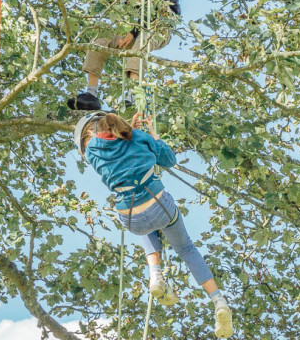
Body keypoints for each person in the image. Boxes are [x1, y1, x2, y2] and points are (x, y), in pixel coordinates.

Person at [74, 111, 234, 338]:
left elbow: (117, 151)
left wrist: (130, 131)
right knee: (186, 249)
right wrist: (153, 135)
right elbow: (169, 160)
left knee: (146, 225)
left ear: (94, 133)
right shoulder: (139, 137)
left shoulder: (91, 152)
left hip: (130, 216)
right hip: (159, 203)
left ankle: (155, 274)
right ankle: (218, 300)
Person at [68, 0, 181, 111]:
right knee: (102, 37)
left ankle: (132, 95)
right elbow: (131, 8)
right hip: (135, 28)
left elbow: (151, 15)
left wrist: (133, 32)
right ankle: (91, 92)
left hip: (158, 29)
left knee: (140, 42)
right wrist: (121, 1)